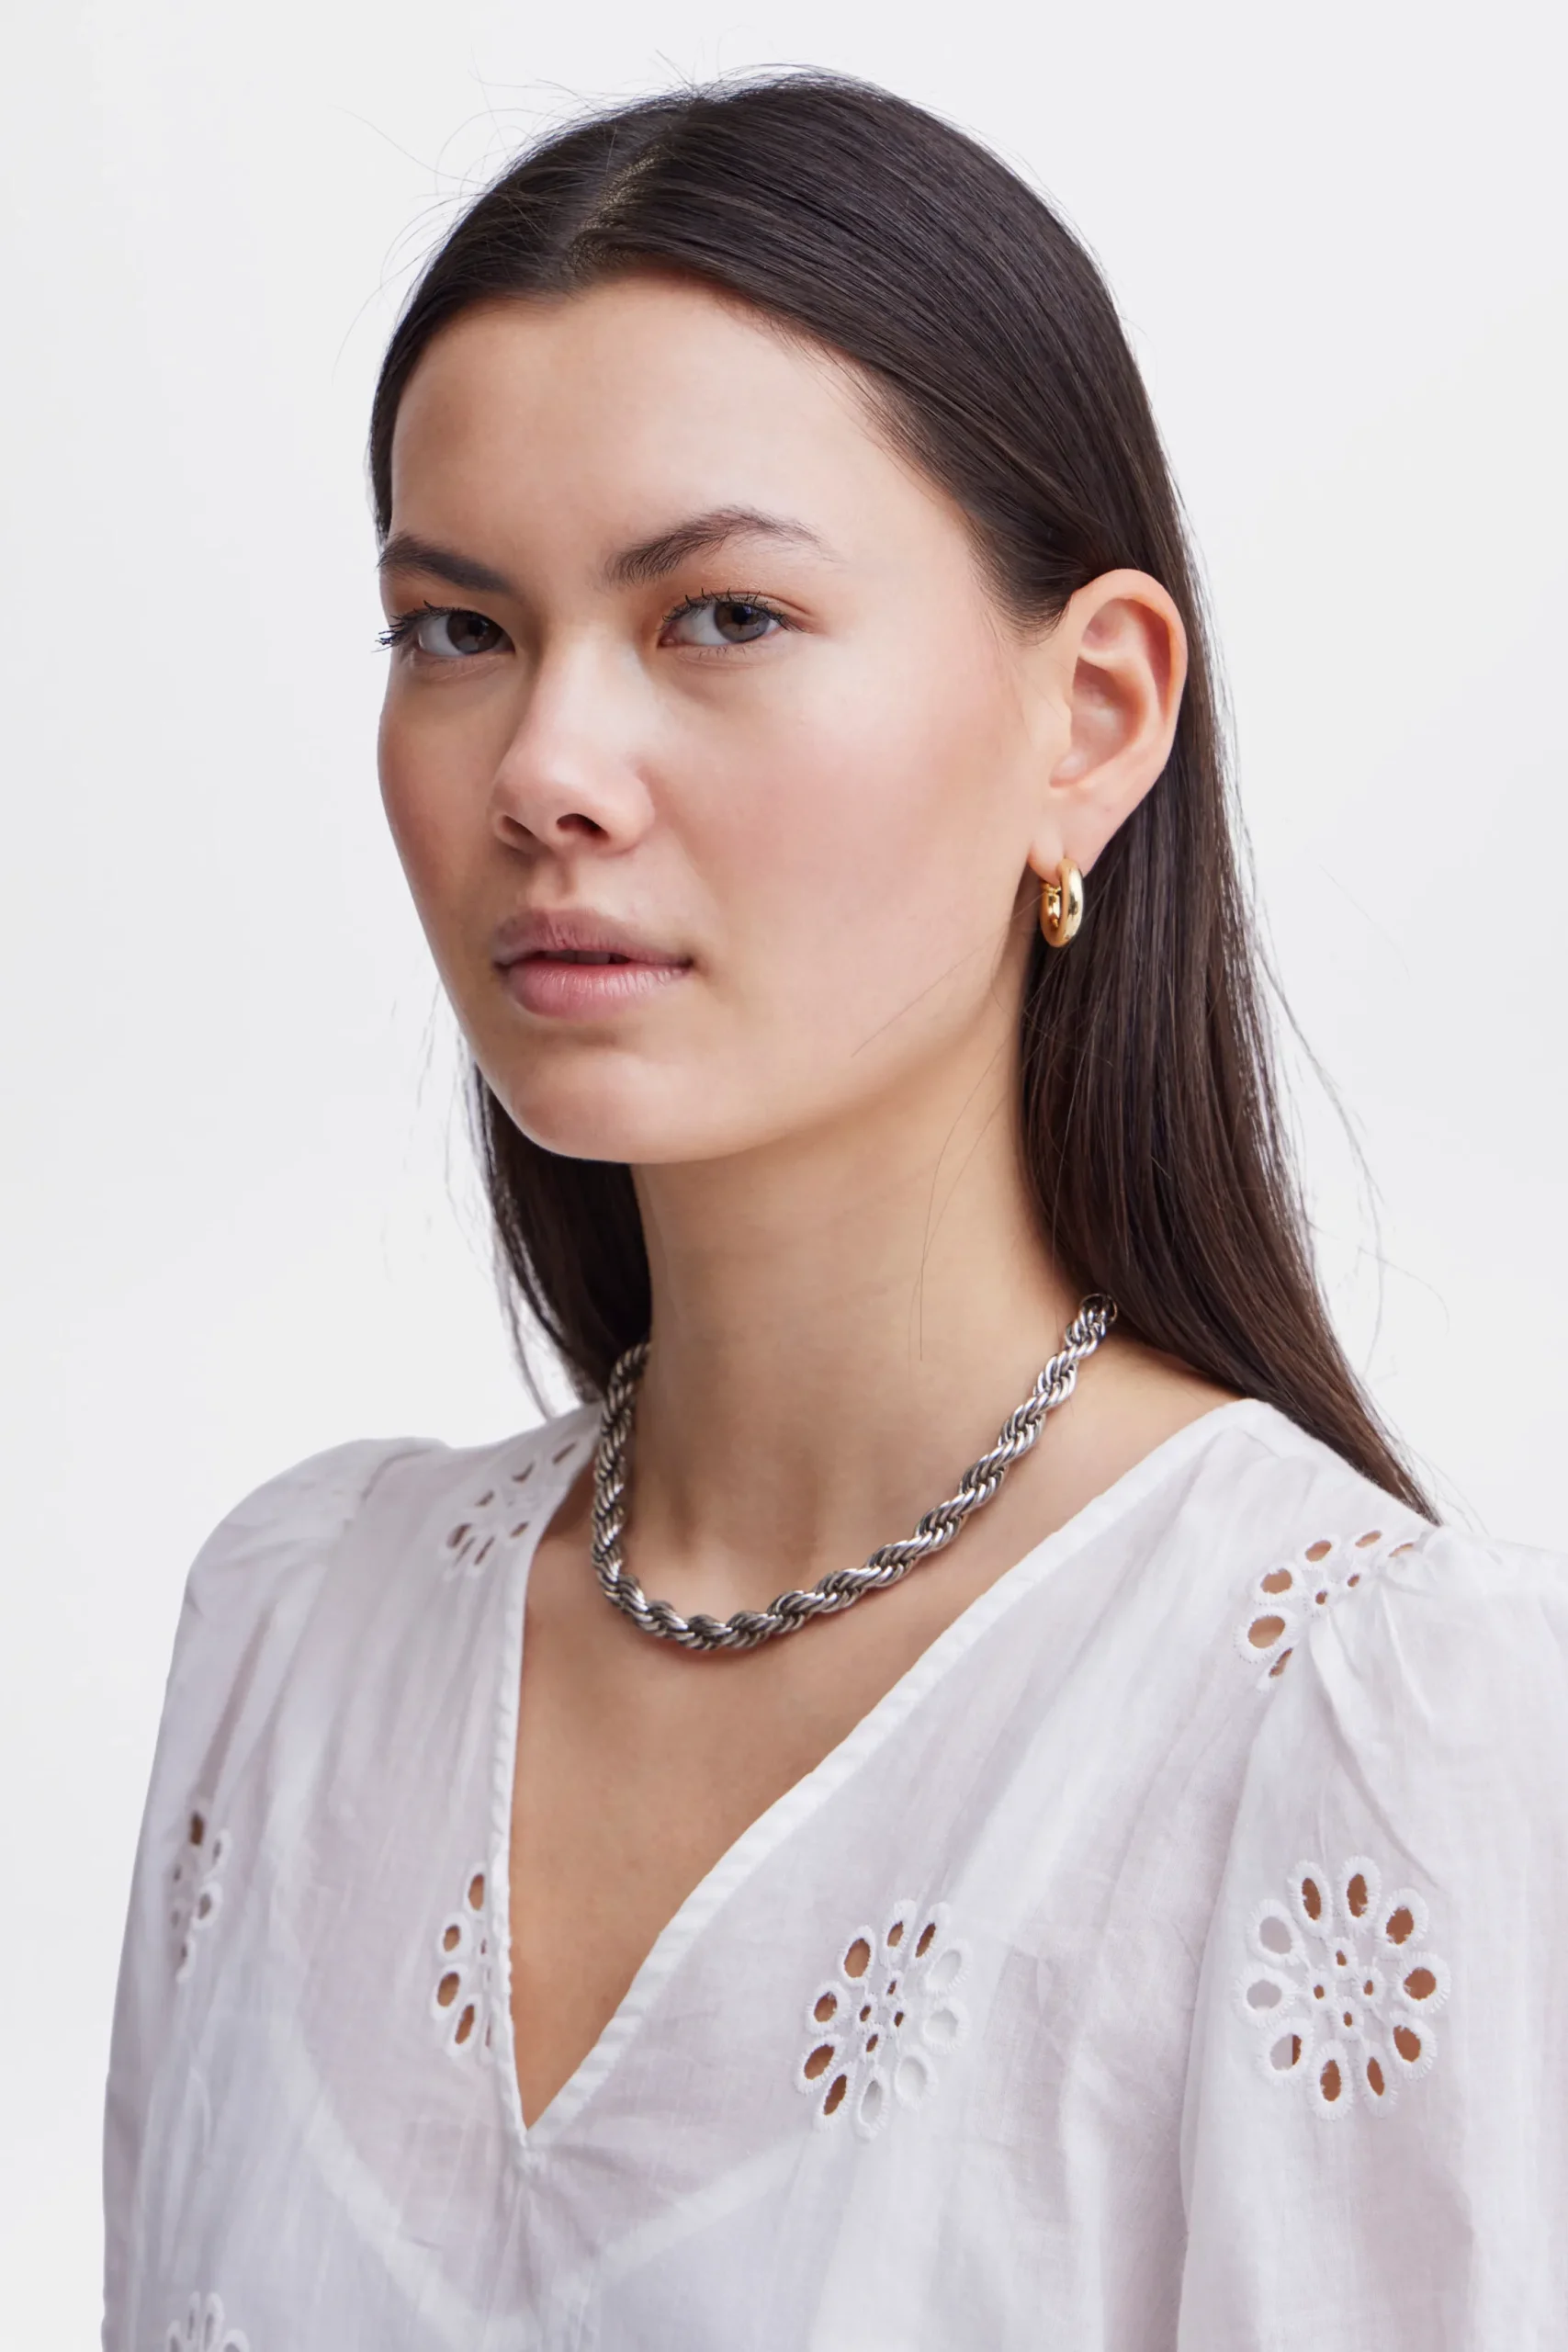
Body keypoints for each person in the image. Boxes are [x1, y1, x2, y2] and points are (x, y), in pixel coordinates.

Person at [103, 73, 1568, 2352]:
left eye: (720, 615)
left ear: (1091, 714)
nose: (545, 771)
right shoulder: (296, 1642)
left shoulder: (1346, 1729)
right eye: (457, 629)